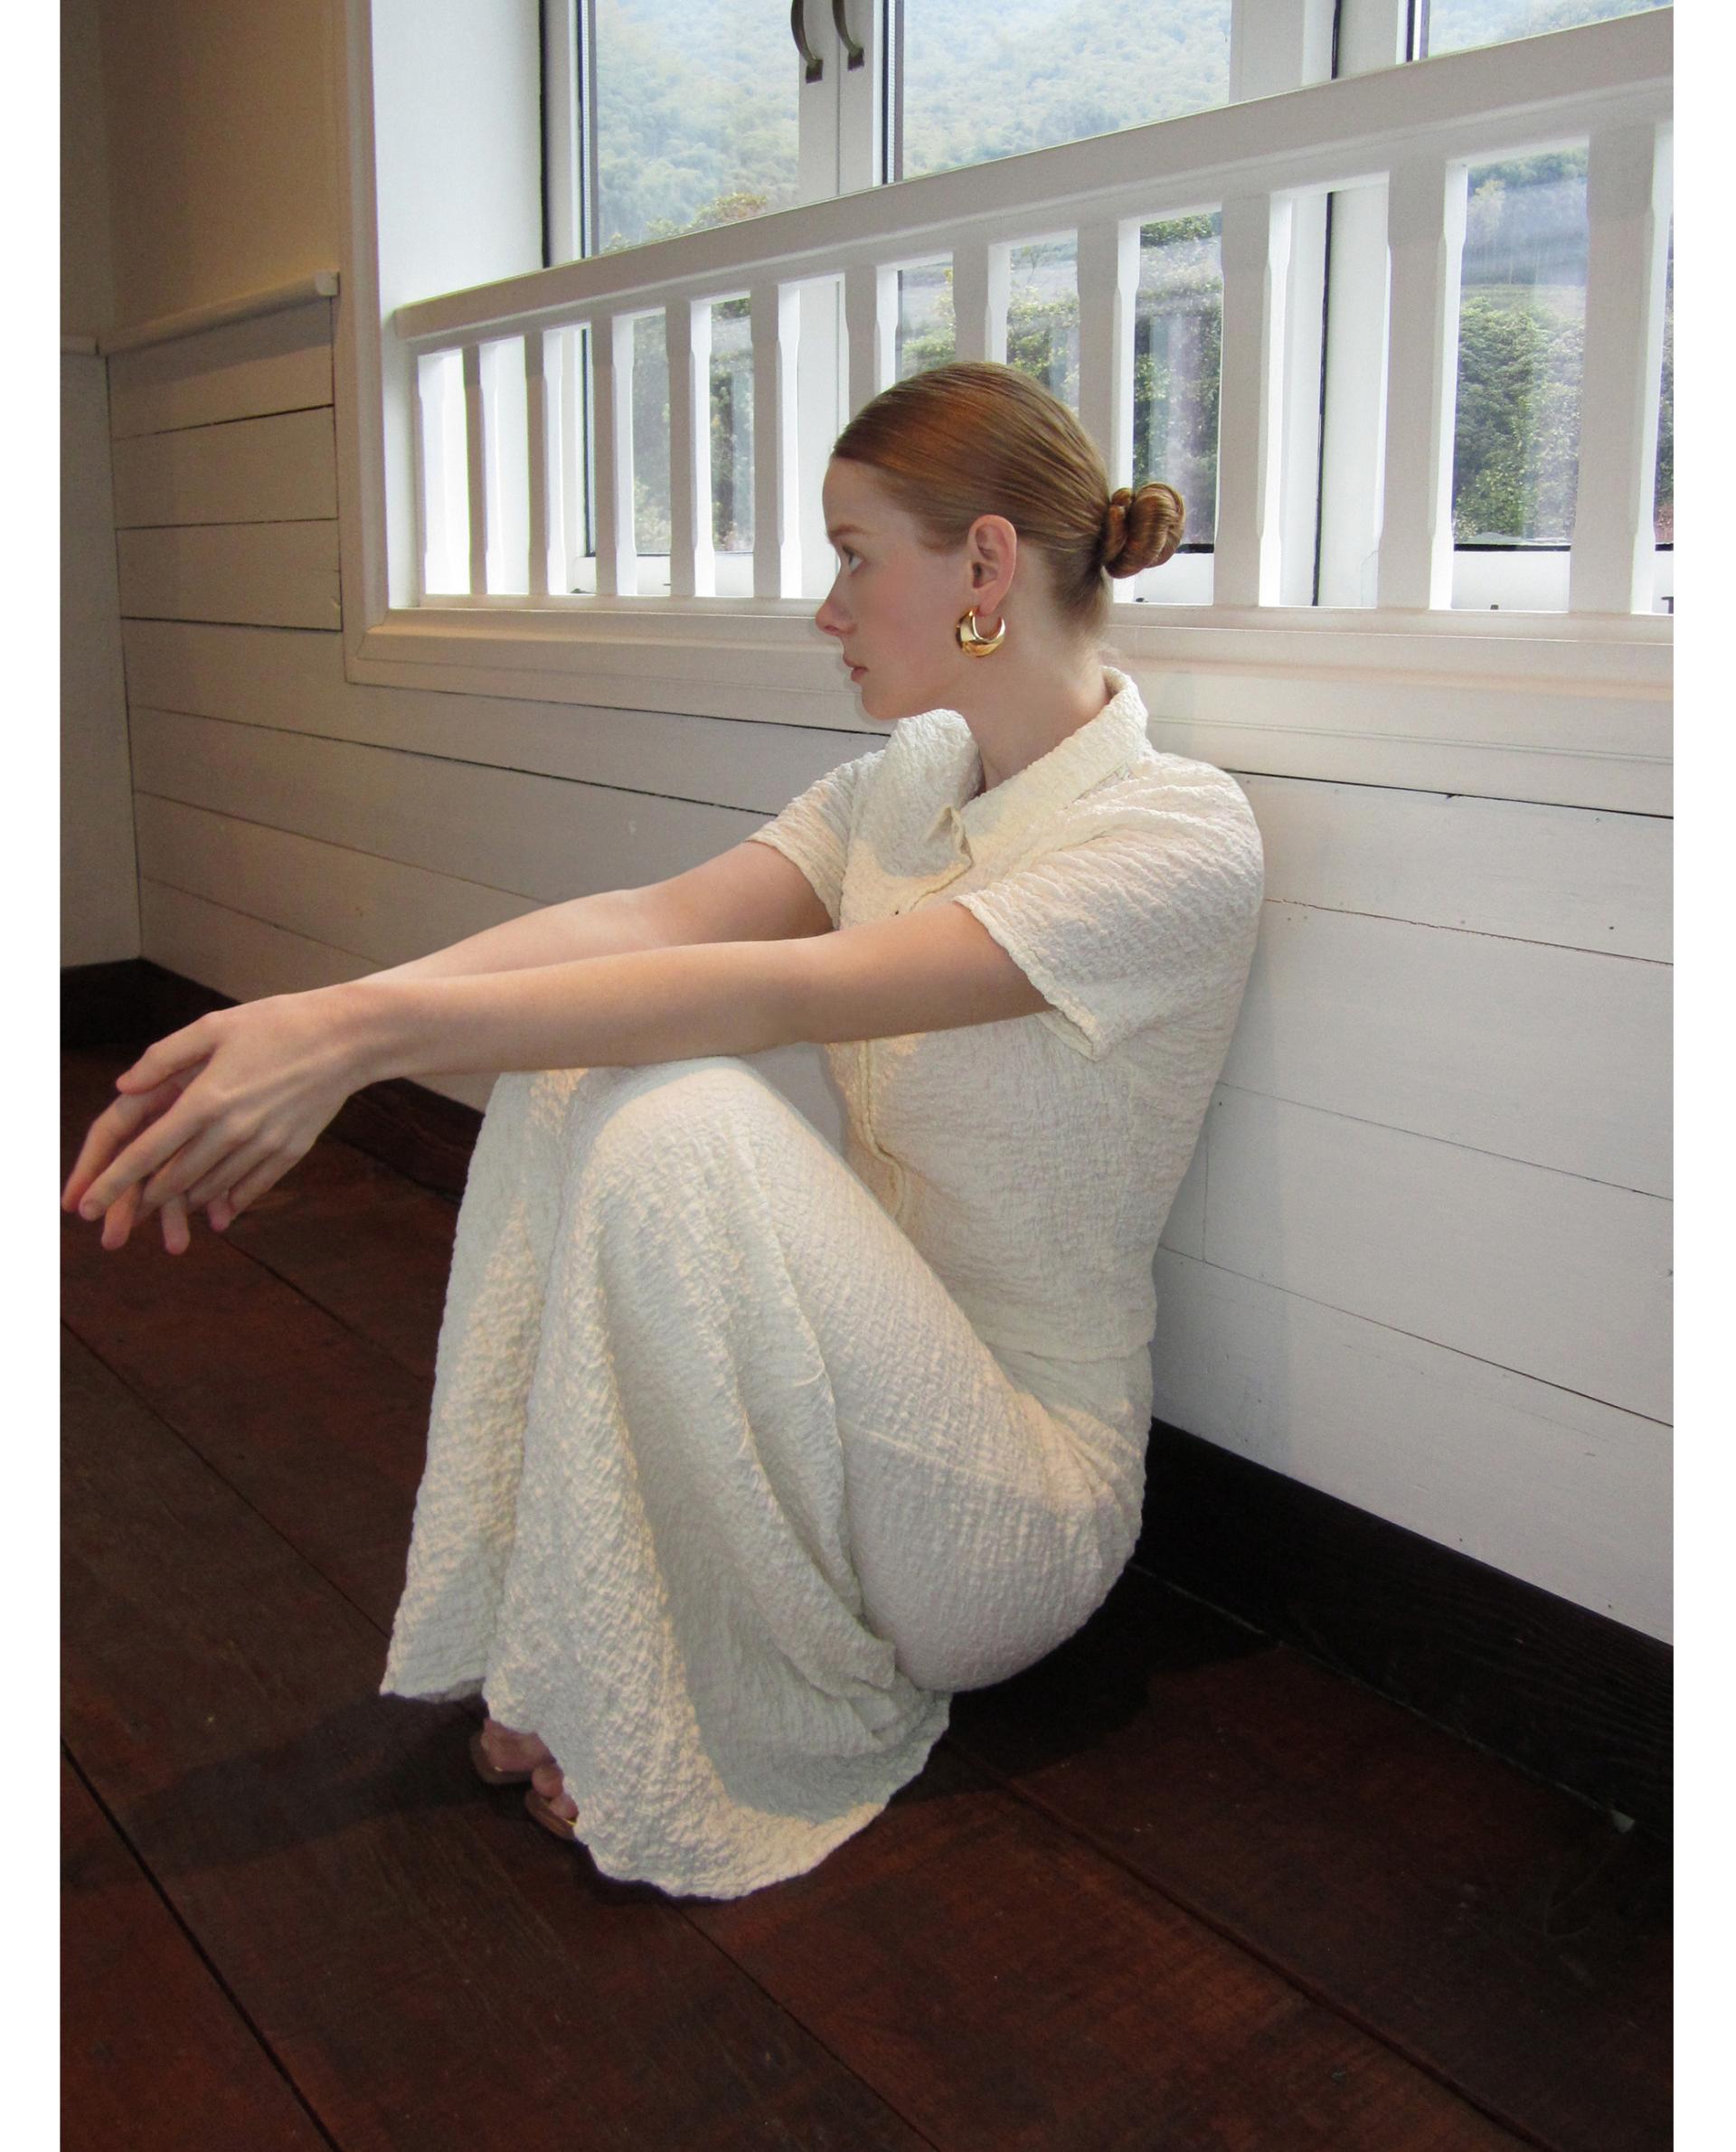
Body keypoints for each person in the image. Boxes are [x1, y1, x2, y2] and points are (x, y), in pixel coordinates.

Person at [61, 360, 1265, 1902]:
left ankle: (687, 1686)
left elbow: (781, 989)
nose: (827, 611)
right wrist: (319, 1015)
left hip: (1007, 1512)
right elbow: (642, 923)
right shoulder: (906, 785)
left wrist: (355, 1047)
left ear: (983, 565)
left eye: (853, 557)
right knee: (583, 1074)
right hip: (842, 1404)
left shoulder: (1175, 838)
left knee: (682, 1112)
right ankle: (579, 1634)